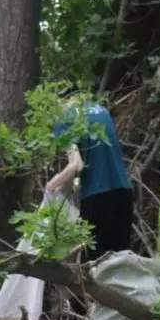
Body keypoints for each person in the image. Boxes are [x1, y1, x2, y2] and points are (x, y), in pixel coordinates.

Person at [45, 98, 133, 261]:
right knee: (122, 264)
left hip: (97, 197)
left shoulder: (63, 120)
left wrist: (51, 186)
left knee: (96, 266)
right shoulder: (101, 111)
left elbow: (76, 165)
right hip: (124, 192)